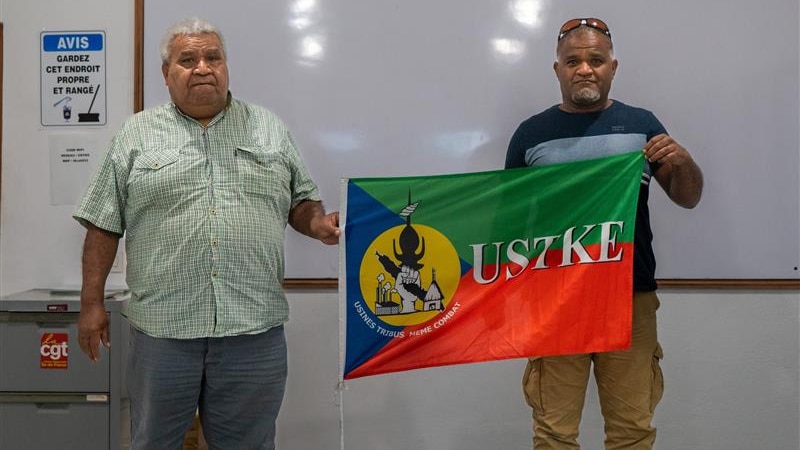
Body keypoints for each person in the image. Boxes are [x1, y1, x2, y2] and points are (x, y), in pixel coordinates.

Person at [73, 17, 339, 449]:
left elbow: (300, 202)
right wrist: (91, 305)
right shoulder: (136, 135)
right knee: (153, 441)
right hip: (162, 331)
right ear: (166, 74)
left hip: (252, 331)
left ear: (226, 67)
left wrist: (319, 224)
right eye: (187, 59)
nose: (202, 68)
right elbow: (103, 222)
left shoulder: (268, 129)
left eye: (212, 57)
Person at [505, 18, 703, 450]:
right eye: (573, 60)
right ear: (557, 69)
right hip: (556, 300)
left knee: (632, 430)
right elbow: (510, 224)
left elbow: (687, 198)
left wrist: (683, 161)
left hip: (629, 298)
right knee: (554, 432)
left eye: (595, 60)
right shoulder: (530, 135)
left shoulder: (643, 125)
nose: (585, 69)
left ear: (613, 66)